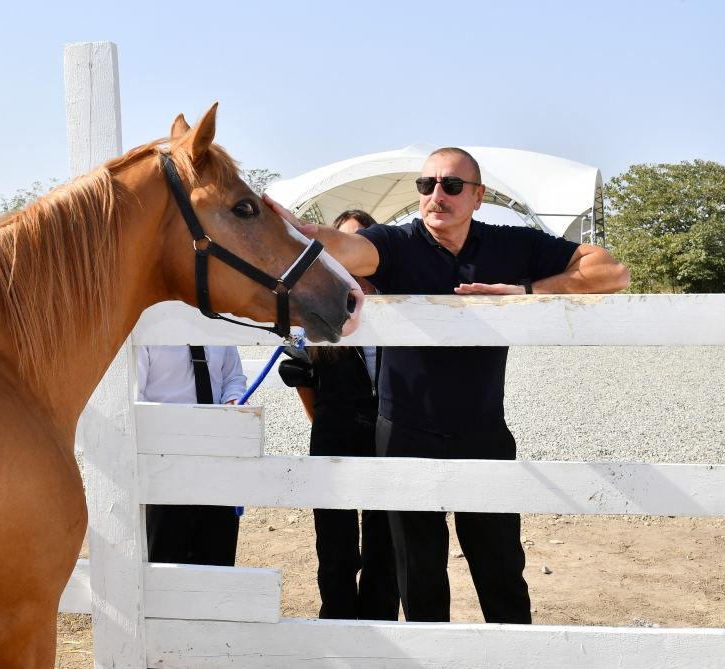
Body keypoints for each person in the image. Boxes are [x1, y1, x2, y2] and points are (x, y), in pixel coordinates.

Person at [264, 147, 630, 623]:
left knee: (502, 577)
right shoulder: (395, 244)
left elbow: (611, 272)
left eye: (452, 186)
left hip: (483, 435)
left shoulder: (512, 245)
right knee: (419, 584)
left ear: (478, 197)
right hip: (404, 436)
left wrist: (526, 294)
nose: (437, 194)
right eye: (427, 185)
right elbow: (346, 248)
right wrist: (300, 231)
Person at [278, 210, 400, 621]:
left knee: (385, 547)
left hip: (387, 439)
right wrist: (325, 426)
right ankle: (338, 631)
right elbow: (306, 384)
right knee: (335, 548)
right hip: (335, 437)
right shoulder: (318, 310)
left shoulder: (398, 308)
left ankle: (381, 636)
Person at [137, 344, 246, 566]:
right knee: (165, 560)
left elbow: (233, 377)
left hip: (217, 460)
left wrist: (233, 400)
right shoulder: (148, 329)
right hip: (166, 465)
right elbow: (135, 395)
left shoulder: (219, 321)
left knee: (217, 559)